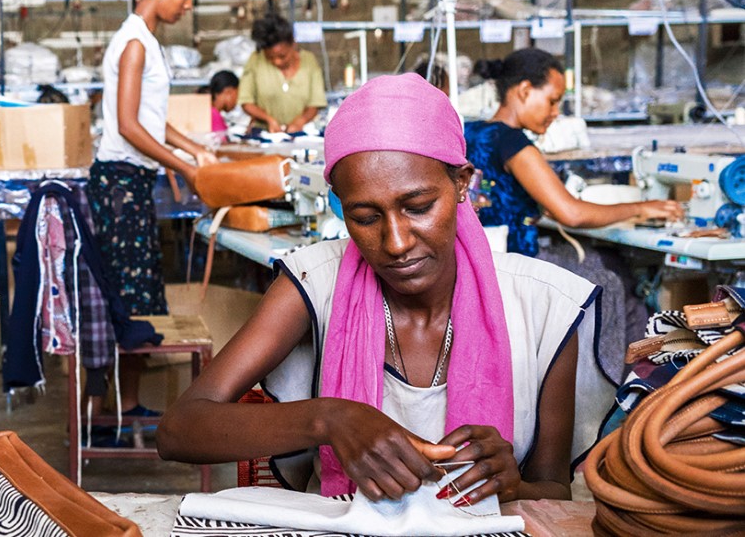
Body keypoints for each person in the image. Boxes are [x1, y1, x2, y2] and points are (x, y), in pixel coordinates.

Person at [159, 74, 615, 505]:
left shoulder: (542, 308)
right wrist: (330, 419)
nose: (396, 243)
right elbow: (179, 430)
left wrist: (513, 486)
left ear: (461, 183)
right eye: (365, 217)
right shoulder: (314, 284)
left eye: (418, 207)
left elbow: (554, 490)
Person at [88, 0, 215, 433]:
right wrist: (184, 166)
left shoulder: (144, 39)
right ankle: (105, 414)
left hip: (131, 182)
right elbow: (127, 125)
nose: (188, 4)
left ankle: (125, 407)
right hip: (121, 185)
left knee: (138, 293)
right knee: (129, 297)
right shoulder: (136, 43)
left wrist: (194, 148)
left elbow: (150, 118)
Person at [466, 48, 682, 257]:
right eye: (552, 101)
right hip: (514, 267)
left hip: (480, 261)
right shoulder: (513, 143)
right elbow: (572, 214)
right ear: (525, 91)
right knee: (610, 273)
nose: (555, 112)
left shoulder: (471, 132)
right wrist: (641, 209)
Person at [239, 14, 327, 134]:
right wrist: (269, 119)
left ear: (293, 44)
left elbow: (315, 103)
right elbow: (246, 101)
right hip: (265, 134)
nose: (277, 62)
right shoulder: (255, 60)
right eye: (270, 57)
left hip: (302, 134)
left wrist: (300, 121)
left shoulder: (309, 61)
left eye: (282, 56)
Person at [204, 70, 239, 135]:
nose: (237, 101)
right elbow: (221, 144)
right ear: (228, 92)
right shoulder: (214, 116)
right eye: (237, 94)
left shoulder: (208, 111)